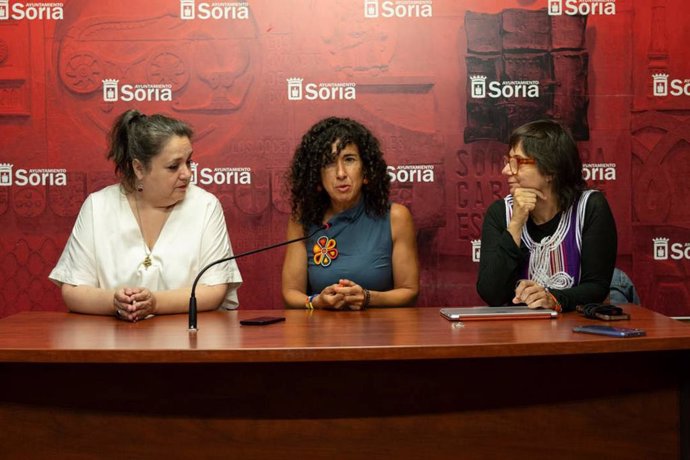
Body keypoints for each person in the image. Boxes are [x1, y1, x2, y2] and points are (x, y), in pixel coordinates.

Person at [49, 109, 242, 321]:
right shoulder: (98, 206)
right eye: (173, 166)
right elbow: (73, 291)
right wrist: (114, 301)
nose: (187, 173)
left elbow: (214, 290)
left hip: (189, 345)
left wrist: (154, 303)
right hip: (112, 346)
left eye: (189, 162)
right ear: (139, 168)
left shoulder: (205, 206)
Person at [476, 119, 617, 312]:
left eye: (517, 162)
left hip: (576, 332)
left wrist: (552, 298)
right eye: (507, 161)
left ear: (550, 170)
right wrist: (516, 224)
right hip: (517, 333)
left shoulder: (590, 207)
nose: (506, 170)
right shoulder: (501, 212)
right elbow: (491, 294)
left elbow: (597, 287)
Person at [281, 117, 419, 310]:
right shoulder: (303, 221)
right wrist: (316, 301)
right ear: (316, 175)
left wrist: (368, 298)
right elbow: (291, 293)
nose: (340, 173)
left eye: (349, 160)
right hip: (322, 334)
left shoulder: (396, 217)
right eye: (329, 163)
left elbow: (409, 291)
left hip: (382, 334)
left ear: (366, 170)